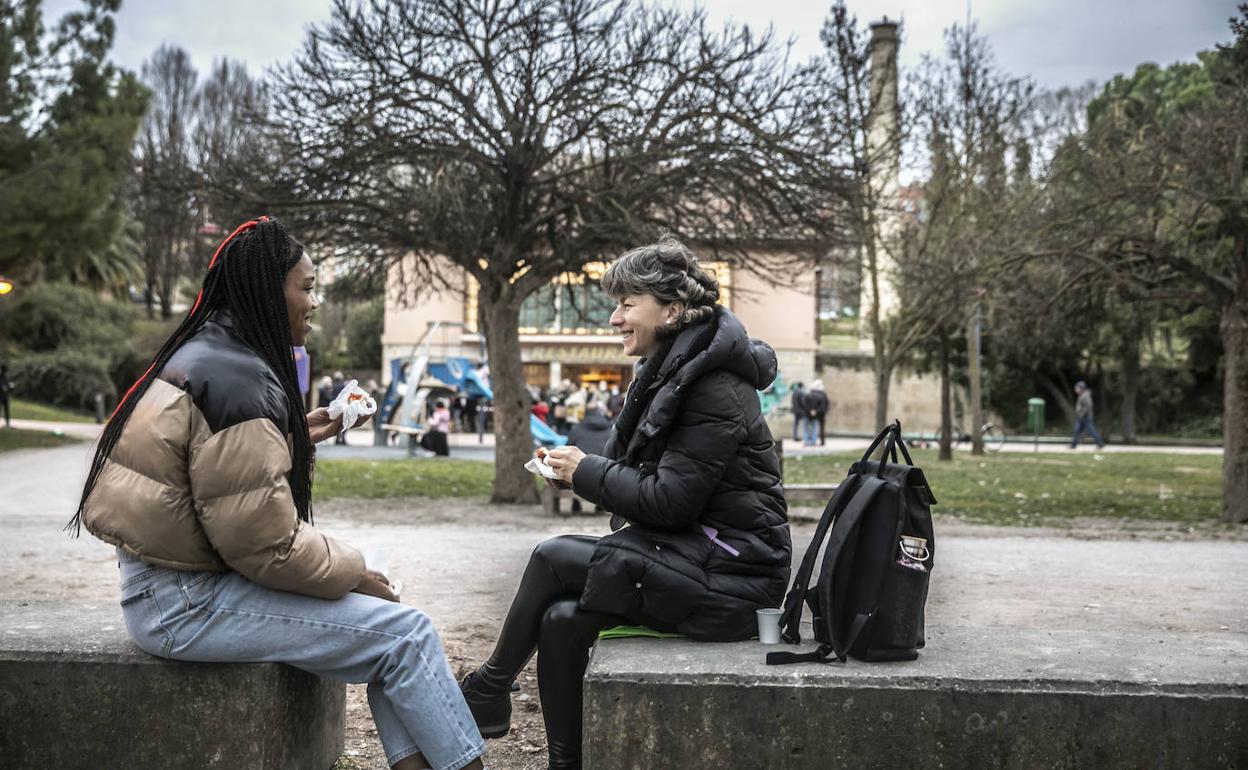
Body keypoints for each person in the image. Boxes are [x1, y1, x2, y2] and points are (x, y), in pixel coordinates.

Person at [69, 218, 485, 770]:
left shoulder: (210, 353)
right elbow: (266, 547)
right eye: (307, 286)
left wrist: (296, 432)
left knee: (392, 635)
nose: (313, 301)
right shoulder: (240, 381)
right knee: (406, 634)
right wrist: (357, 571)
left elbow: (217, 479)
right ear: (269, 290)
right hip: (183, 605)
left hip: (168, 586)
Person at [460, 235, 791, 770]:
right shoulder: (669, 372)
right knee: (561, 619)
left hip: (738, 575)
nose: (614, 318)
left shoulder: (713, 387)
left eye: (627, 304)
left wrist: (588, 473)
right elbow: (630, 468)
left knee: (552, 556)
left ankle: (489, 689)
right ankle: (563, 761)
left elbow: (671, 502)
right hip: (692, 554)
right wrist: (575, 468)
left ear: (673, 310)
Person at [1070, 380, 1105, 449]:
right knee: (1077, 431)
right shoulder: (1082, 395)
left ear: (1081, 388)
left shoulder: (1085, 396)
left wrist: (1082, 413)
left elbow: (1089, 406)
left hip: (1086, 417)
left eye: (1077, 387)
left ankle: (1100, 444)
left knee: (1091, 431)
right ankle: (1073, 445)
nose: (1075, 389)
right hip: (1082, 417)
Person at [803, 380, 829, 447]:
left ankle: (807, 441)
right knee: (815, 428)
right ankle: (815, 442)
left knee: (806, 428)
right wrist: (816, 411)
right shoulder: (822, 395)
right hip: (819, 414)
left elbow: (805, 405)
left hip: (807, 414)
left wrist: (810, 411)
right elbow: (824, 405)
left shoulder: (807, 395)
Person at [0, 363, 12, 428]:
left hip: (5, 396)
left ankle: (7, 423)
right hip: (1, 396)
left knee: (6, 410)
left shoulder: (6, 377)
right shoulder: (1, 377)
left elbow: (7, 386)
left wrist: (9, 387)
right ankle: (7, 423)